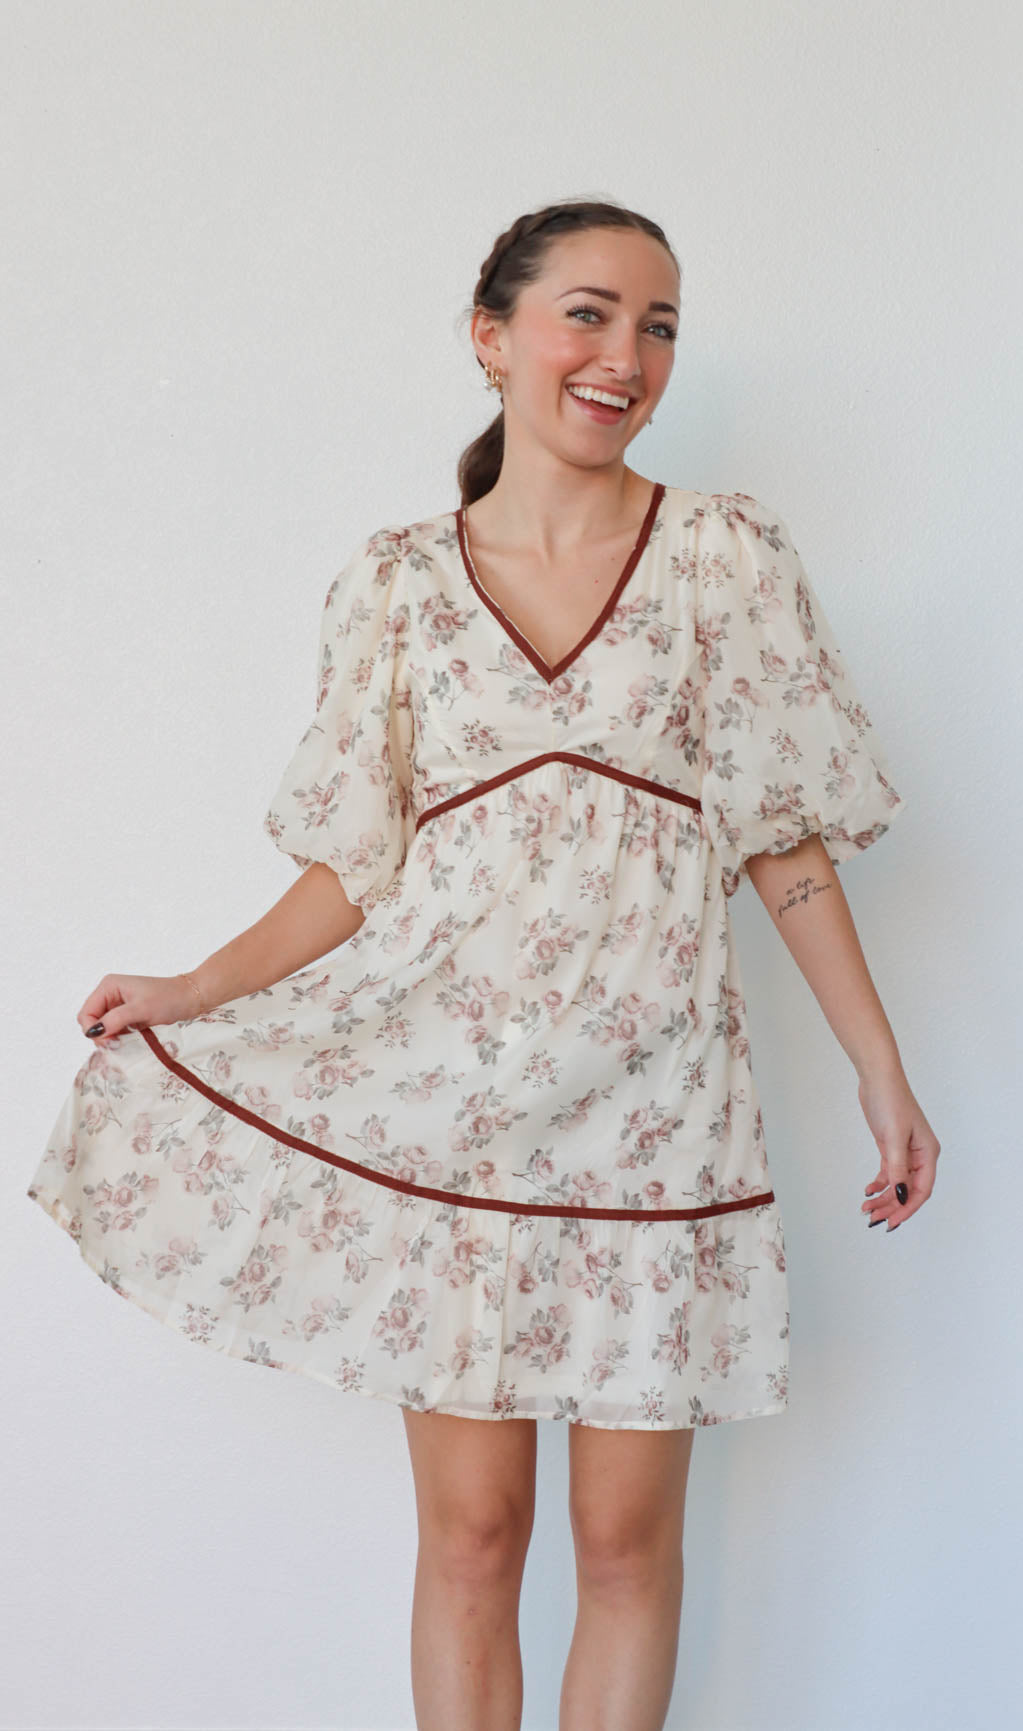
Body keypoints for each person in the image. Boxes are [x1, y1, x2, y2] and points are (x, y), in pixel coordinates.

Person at [26, 197, 940, 1730]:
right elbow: (350, 868)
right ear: (491, 337)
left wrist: (880, 1068)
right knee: (470, 1539)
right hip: (449, 1122)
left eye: (656, 325)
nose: (623, 353)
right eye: (586, 312)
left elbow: (783, 844)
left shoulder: (722, 557)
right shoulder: (393, 584)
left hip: (660, 1125)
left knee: (623, 1545)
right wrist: (193, 990)